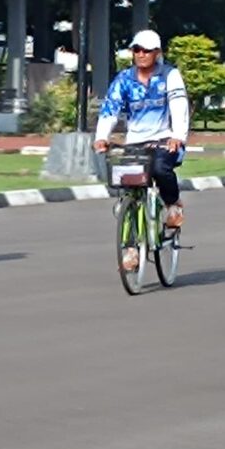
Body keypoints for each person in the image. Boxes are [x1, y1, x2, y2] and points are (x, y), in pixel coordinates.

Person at [92, 28, 192, 270]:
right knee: (124, 183)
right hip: (135, 141)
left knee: (159, 168)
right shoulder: (124, 79)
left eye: (147, 50)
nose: (141, 54)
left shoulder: (170, 75)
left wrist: (178, 136)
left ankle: (173, 205)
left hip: (165, 139)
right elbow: (110, 109)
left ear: (157, 53)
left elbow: (179, 106)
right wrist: (101, 137)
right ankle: (130, 249)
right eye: (137, 49)